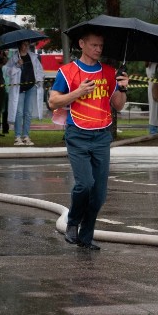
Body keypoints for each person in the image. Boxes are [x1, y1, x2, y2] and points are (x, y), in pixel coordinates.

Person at [47, 28, 130, 250]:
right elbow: (53, 102)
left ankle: (86, 236)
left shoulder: (109, 72)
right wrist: (78, 92)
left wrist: (122, 88)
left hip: (102, 135)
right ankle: (72, 222)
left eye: (101, 46)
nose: (98, 49)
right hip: (77, 134)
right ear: (82, 44)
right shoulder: (67, 71)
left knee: (99, 194)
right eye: (94, 45)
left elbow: (118, 106)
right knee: (85, 185)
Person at [5, 41, 45, 146]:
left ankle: (26, 136)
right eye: (24, 45)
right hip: (19, 88)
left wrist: (39, 80)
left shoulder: (33, 57)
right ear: (20, 46)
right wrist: (17, 65)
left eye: (28, 45)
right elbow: (7, 71)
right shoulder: (14, 57)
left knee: (28, 112)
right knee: (19, 113)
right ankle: (17, 137)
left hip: (31, 87)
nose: (26, 47)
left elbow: (40, 70)